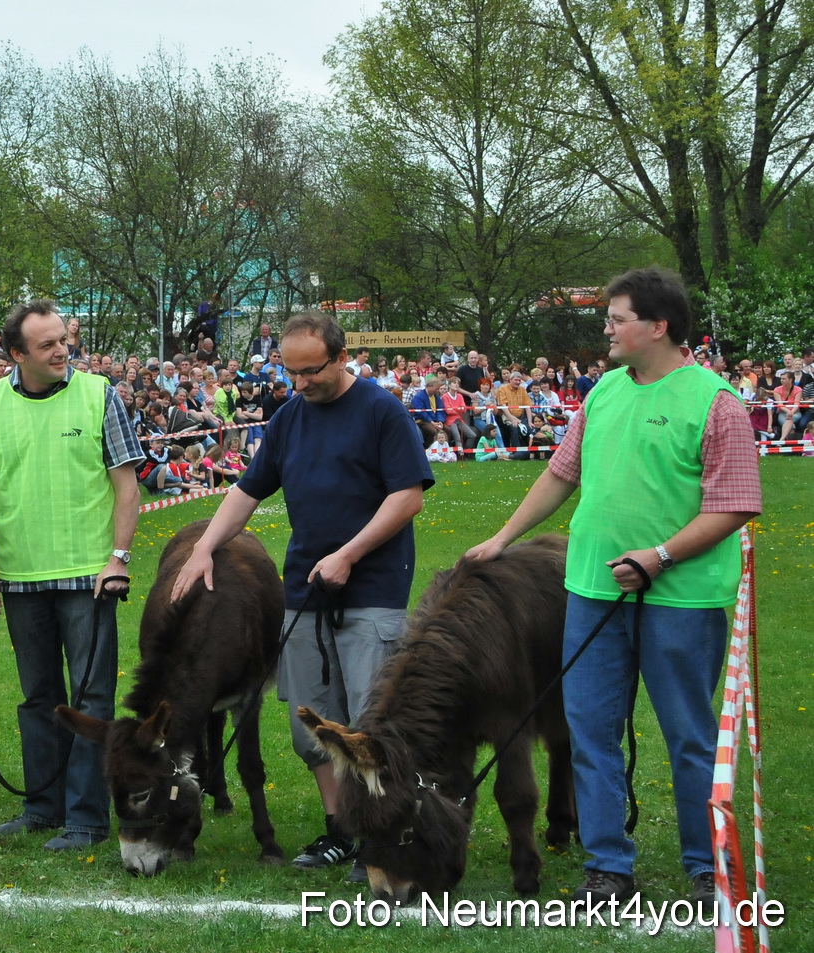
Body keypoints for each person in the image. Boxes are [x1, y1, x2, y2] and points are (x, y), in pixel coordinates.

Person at [464, 267, 759, 907]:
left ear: (659, 326)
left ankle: (704, 865)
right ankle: (607, 865)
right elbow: (559, 475)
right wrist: (503, 538)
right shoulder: (601, 395)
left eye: (617, 318)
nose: (607, 329)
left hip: (682, 598)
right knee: (589, 731)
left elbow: (734, 504)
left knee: (689, 736)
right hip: (592, 593)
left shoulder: (716, 403)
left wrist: (659, 556)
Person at [169, 310, 433, 878]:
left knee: (370, 727)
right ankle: (340, 829)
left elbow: (407, 497)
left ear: (341, 358)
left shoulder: (383, 412)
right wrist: (204, 547)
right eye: (291, 373)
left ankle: (381, 839)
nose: (301, 384)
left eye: (311, 372)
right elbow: (248, 490)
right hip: (304, 592)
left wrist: (349, 554)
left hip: (371, 593)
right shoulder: (291, 416)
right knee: (313, 728)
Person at [0, 299, 142, 852]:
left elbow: (127, 484)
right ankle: (42, 808)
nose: (62, 351)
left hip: (89, 576)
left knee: (90, 701)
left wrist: (119, 559)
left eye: (64, 340)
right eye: (48, 345)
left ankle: (86, 819)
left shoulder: (99, 394)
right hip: (19, 577)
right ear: (16, 354)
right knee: (37, 698)